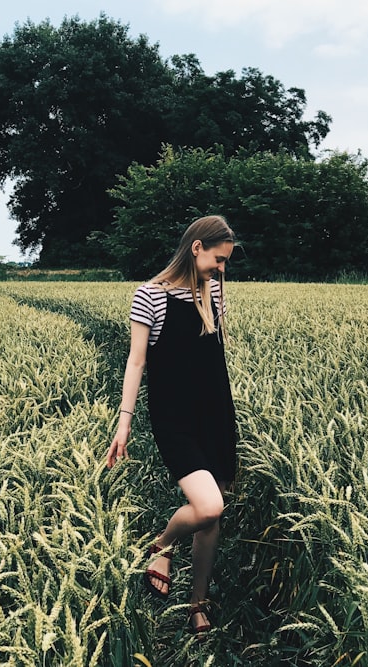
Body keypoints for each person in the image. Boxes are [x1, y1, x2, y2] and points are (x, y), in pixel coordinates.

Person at [105, 215, 238, 636]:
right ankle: (162, 545)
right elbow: (137, 361)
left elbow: (214, 351)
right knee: (208, 505)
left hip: (216, 413)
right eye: (218, 260)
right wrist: (124, 423)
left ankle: (197, 603)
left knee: (211, 516)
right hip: (175, 418)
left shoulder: (214, 290)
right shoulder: (150, 296)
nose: (222, 269)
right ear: (196, 247)